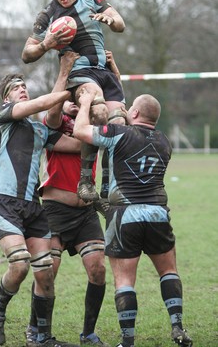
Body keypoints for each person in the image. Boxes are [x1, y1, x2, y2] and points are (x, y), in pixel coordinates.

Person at [73, 92, 193, 347]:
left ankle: (127, 341)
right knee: (169, 271)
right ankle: (178, 327)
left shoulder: (120, 133)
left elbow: (81, 131)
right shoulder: (164, 142)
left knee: (125, 280)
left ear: (134, 114)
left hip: (124, 215)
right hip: (158, 213)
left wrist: (84, 104)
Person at [0, 53, 81, 346]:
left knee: (46, 274)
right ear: (7, 97)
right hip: (3, 201)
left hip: (32, 207)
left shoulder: (40, 128)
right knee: (20, 265)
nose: (22, 88)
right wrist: (66, 82)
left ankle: (41, 337)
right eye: (16, 87)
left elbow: (77, 144)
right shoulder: (2, 116)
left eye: (23, 84)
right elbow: (42, 104)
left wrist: (98, 117)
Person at [22, 0, 126, 202]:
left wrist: (110, 20)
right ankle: (86, 180)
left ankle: (108, 184)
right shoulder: (48, 15)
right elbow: (26, 54)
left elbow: (120, 23)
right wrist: (46, 44)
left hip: (105, 71)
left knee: (119, 123)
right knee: (99, 111)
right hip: (80, 74)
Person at [25, 90, 108, 347]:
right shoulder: (55, 123)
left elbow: (109, 109)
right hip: (54, 210)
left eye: (79, 99)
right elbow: (51, 112)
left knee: (98, 270)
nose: (75, 103)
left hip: (85, 211)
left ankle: (88, 333)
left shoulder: (93, 126)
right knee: (47, 272)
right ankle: (35, 330)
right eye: (69, 99)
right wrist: (66, 101)